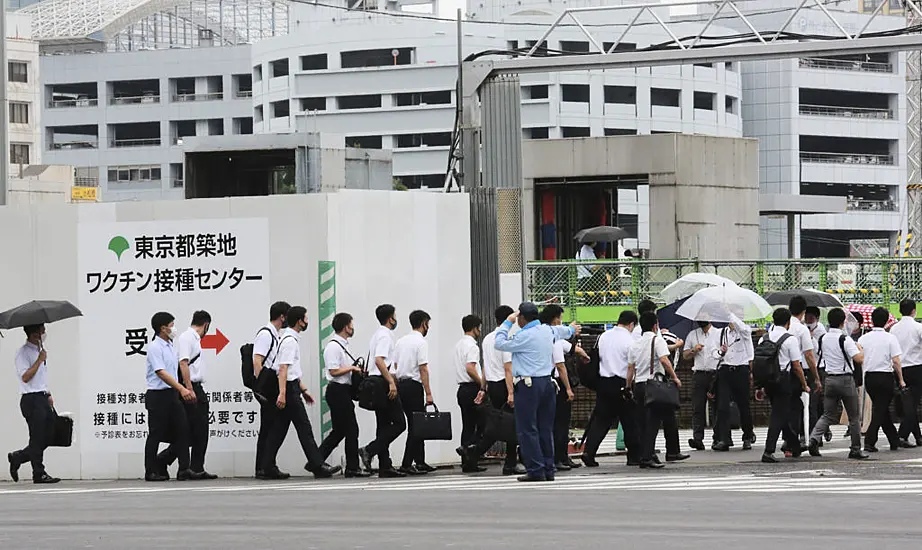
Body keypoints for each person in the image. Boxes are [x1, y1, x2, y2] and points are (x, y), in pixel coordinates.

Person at [495, 302, 579, 482]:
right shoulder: (548, 331)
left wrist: (507, 323)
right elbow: (565, 331)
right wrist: (571, 328)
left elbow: (500, 343)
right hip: (548, 384)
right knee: (545, 428)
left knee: (527, 429)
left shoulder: (523, 336)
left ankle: (535, 469)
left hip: (528, 385)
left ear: (522, 318)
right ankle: (549, 469)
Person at [262, 306, 340, 479]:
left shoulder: (288, 338)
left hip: (291, 388)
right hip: (288, 390)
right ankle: (317, 465)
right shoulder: (290, 340)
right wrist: (283, 394)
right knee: (304, 428)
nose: (307, 321)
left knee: (279, 430)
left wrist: (303, 390)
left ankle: (266, 466)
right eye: (305, 318)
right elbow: (283, 369)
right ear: (299, 321)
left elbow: (290, 370)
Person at [160, 310, 217, 480]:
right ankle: (167, 461)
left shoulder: (193, 339)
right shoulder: (187, 337)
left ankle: (194, 467)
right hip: (191, 388)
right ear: (206, 325)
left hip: (194, 387)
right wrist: (189, 388)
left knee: (197, 431)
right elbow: (183, 363)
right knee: (196, 430)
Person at [580, 310, 641, 467]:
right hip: (621, 383)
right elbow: (631, 367)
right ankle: (634, 455)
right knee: (629, 420)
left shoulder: (604, 336)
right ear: (632, 324)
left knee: (601, 420)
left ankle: (589, 452)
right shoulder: (630, 340)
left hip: (603, 382)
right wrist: (628, 386)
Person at [807, 308, 867, 459]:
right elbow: (859, 359)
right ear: (843, 322)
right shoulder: (845, 339)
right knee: (854, 417)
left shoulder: (823, 338)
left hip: (829, 379)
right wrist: (860, 349)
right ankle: (855, 448)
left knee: (827, 414)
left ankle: (814, 438)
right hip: (846, 379)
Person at [627, 312, 683, 469]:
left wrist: (627, 385)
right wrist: (675, 377)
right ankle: (647, 457)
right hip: (653, 386)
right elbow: (665, 360)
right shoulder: (657, 340)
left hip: (638, 385)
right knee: (653, 423)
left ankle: (647, 454)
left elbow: (630, 368)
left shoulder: (635, 344)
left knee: (643, 422)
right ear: (655, 325)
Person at [143, 312, 195, 481]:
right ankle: (151, 470)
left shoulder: (171, 345)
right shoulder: (154, 347)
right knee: (155, 434)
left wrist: (186, 388)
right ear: (163, 328)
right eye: (171, 325)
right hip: (158, 395)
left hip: (172, 394)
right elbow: (161, 373)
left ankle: (184, 469)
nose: (174, 328)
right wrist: (182, 389)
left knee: (183, 430)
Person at [318, 312, 370, 478]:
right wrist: (352, 369)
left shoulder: (343, 345)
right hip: (337, 391)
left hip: (342, 391)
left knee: (339, 431)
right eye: (351, 324)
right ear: (346, 326)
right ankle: (352, 467)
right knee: (352, 429)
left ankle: (315, 461)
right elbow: (333, 371)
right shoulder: (333, 346)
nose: (353, 327)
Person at [359, 304, 407, 478]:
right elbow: (379, 360)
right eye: (395, 316)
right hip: (381, 382)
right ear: (390, 318)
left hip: (375, 382)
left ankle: (385, 466)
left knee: (383, 425)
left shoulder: (377, 335)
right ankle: (369, 450)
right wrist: (391, 383)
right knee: (400, 423)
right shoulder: (386, 336)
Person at [8, 324, 60, 484]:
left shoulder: (39, 350)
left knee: (50, 434)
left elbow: (40, 378)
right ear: (34, 333)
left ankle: (18, 457)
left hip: (42, 397)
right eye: (42, 330)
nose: (44, 333)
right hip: (31, 399)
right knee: (37, 437)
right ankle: (39, 473)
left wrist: (48, 393)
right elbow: (25, 377)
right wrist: (39, 360)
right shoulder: (23, 353)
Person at [540, 305, 589, 471]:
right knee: (560, 423)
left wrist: (583, 354)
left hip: (542, 383)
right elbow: (561, 367)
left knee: (554, 422)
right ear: (555, 319)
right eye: (560, 318)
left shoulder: (545, 335)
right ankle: (558, 458)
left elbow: (573, 348)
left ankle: (561, 457)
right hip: (557, 385)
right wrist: (568, 388)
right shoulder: (552, 339)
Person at [761, 308, 809, 464]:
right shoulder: (790, 339)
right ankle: (768, 450)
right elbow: (796, 365)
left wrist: (759, 386)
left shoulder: (764, 338)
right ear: (788, 322)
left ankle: (794, 445)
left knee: (782, 414)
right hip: (783, 380)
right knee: (778, 416)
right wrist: (804, 384)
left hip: (768, 382)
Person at [481, 305, 524, 476]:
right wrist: (511, 393)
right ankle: (510, 463)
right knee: (511, 425)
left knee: (498, 423)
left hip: (492, 385)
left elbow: (485, 365)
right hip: (504, 384)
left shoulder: (487, 338)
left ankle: (474, 450)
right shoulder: (505, 339)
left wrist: (483, 387)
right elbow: (508, 369)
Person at [858, 306, 907, 453]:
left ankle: (894, 439)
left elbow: (859, 358)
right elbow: (896, 361)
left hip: (870, 377)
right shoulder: (890, 338)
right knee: (880, 409)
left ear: (872, 320)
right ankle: (869, 441)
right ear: (886, 321)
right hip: (885, 376)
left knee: (881, 408)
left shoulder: (863, 338)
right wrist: (901, 379)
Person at [394, 310, 435, 475]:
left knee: (416, 423)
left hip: (401, 385)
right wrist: (429, 393)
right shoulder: (421, 342)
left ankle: (420, 461)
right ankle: (407, 463)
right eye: (428, 324)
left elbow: (395, 366)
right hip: (414, 386)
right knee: (416, 426)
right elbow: (423, 368)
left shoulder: (400, 341)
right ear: (424, 323)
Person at [252, 301, 290, 480]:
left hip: (272, 387)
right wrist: (262, 388)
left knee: (270, 427)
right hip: (267, 389)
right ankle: (264, 467)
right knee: (269, 428)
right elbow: (257, 360)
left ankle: (266, 465)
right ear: (282, 316)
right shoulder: (266, 334)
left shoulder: (276, 335)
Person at [714, 312, 756, 451]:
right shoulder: (722, 333)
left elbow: (743, 329)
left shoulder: (744, 332)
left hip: (741, 370)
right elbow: (714, 353)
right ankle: (725, 439)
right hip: (726, 370)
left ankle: (747, 435)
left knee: (744, 405)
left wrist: (730, 313)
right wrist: (721, 352)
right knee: (723, 406)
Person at [455, 314, 490, 473]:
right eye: (479, 328)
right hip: (472, 388)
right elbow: (470, 368)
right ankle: (468, 452)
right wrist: (482, 383)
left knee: (467, 425)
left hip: (462, 389)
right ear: (475, 328)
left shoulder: (459, 345)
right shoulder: (472, 346)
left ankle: (466, 461)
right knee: (482, 424)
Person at [786, 296, 821, 451]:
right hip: (802, 370)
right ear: (803, 311)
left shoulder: (780, 327)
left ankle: (790, 440)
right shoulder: (801, 329)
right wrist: (817, 378)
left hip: (784, 371)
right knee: (809, 407)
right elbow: (809, 355)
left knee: (790, 407)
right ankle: (811, 441)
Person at [890, 299, 922, 448]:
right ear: (914, 311)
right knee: (912, 404)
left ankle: (918, 436)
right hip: (916, 368)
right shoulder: (918, 327)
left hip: (899, 369)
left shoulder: (894, 329)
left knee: (908, 404)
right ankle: (901, 435)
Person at [684, 321, 719, 451]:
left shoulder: (718, 333)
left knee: (716, 406)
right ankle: (698, 439)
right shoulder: (692, 335)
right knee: (697, 407)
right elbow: (685, 355)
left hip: (714, 373)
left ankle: (718, 437)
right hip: (699, 373)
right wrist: (694, 350)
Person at [805, 305, 830, 442]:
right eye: (807, 317)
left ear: (817, 318)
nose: (809, 320)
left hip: (819, 368)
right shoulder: (803, 329)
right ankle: (819, 430)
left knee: (817, 402)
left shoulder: (821, 331)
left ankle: (819, 433)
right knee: (813, 403)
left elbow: (821, 352)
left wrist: (812, 339)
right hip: (807, 368)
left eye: (811, 318)